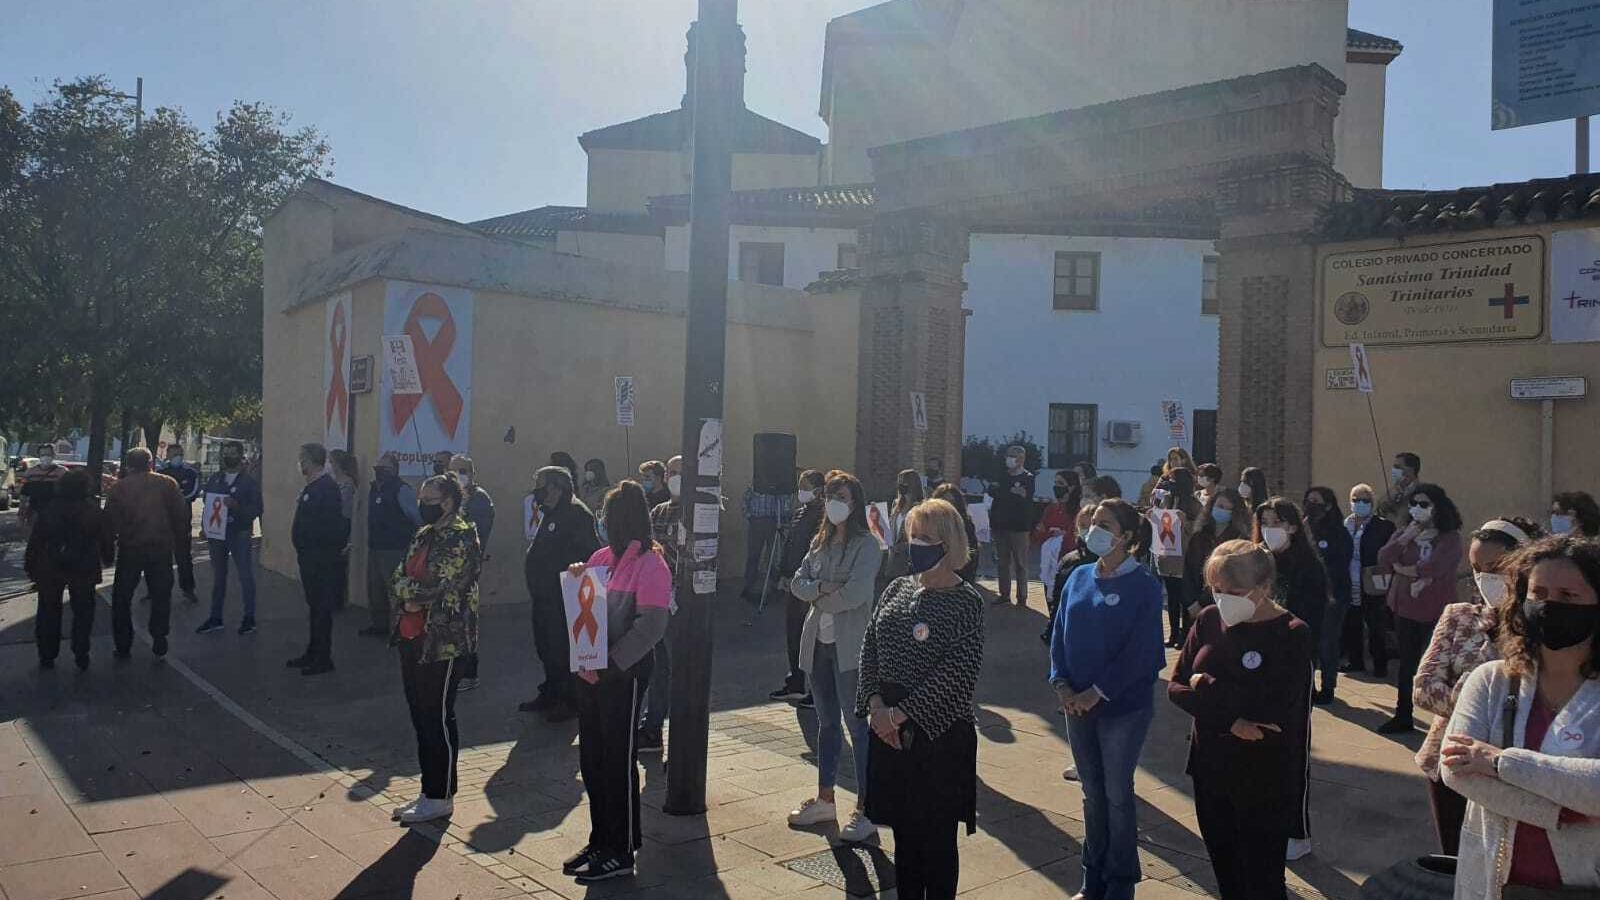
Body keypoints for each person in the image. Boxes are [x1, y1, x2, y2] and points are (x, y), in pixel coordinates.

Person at [1440, 535, 1600, 899]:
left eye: (1568, 596)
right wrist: (1560, 813)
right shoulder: (1491, 681)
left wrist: (1498, 762)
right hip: (1492, 884)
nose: (1550, 605)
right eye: (1539, 593)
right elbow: (1456, 771)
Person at [1169, 540, 1314, 900]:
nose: (1222, 599)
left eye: (1232, 592)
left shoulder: (1292, 632)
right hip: (1210, 766)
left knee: (1262, 880)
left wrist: (1206, 684)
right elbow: (1176, 687)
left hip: (1264, 775)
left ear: (1263, 587)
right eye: (1215, 590)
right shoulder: (1207, 621)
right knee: (1227, 872)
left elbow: (1273, 706)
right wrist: (1232, 721)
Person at [858, 498, 985, 900]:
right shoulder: (896, 588)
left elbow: (958, 672)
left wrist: (902, 715)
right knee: (905, 836)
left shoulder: (967, 602)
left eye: (927, 537)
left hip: (939, 734)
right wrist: (876, 707)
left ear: (949, 543)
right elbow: (870, 647)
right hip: (888, 725)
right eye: (914, 536)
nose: (917, 544)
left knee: (938, 840)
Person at [1050, 498, 1165, 900]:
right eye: (1092, 522)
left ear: (1126, 536)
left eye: (1105, 524)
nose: (1093, 530)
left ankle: (1120, 882)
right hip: (1075, 704)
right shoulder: (1079, 576)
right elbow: (1059, 632)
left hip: (1122, 708)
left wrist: (1096, 692)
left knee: (1117, 795)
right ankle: (1092, 876)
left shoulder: (1144, 586)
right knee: (1092, 794)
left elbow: (1144, 654)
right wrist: (1061, 683)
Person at [563, 481, 672, 885]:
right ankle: (600, 840)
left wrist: (613, 662)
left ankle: (621, 848)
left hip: (623, 675)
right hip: (590, 673)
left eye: (607, 515)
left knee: (617, 760)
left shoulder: (651, 564)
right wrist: (579, 579)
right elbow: (585, 606)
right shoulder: (600, 558)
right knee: (592, 759)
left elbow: (651, 625)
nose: (602, 522)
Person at [1412, 517, 1538, 857]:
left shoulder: (1542, 626)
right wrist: (1482, 706)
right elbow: (1424, 688)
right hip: (1451, 760)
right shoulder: (1460, 616)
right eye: (1476, 569)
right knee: (1455, 859)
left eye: (1495, 568)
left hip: (1516, 769)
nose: (1485, 578)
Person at [786, 472, 884, 842]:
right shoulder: (820, 542)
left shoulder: (866, 545)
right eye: (829, 496)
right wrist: (825, 588)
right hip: (818, 644)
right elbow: (797, 583)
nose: (833, 503)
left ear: (855, 502)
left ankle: (867, 807)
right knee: (827, 724)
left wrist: (819, 594)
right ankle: (825, 799)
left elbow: (856, 594)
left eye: (840, 496)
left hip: (850, 648)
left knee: (858, 727)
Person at [387, 474, 482, 825]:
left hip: (443, 641)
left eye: (429, 499)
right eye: (421, 498)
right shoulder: (424, 534)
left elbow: (441, 584)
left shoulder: (461, 536)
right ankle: (429, 790)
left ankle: (441, 795)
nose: (422, 505)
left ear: (447, 501)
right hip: (411, 636)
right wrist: (407, 597)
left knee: (436, 714)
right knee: (419, 713)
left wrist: (413, 595)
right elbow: (398, 575)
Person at [1251, 497, 1327, 859]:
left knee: (1292, 749)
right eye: (1264, 522)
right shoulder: (1255, 563)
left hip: (1291, 666)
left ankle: (1297, 831)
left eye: (1277, 522)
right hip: (1254, 664)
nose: (1270, 529)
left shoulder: (1308, 568)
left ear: (1294, 526)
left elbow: (1310, 623)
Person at [1377, 482, 1465, 735]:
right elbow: (1384, 559)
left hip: (1435, 610)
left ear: (1437, 507)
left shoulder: (1448, 537)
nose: (1417, 508)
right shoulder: (1406, 533)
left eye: (1423, 504)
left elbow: (1437, 566)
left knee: (1439, 668)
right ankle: (1403, 714)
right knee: (1407, 664)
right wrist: (1404, 539)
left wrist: (1405, 569)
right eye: (1413, 504)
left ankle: (1447, 722)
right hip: (1405, 608)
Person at [520, 465, 601, 721]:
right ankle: (551, 693)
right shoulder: (551, 512)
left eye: (540, 486)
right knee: (545, 647)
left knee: (562, 650)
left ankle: (569, 700)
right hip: (544, 597)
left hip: (563, 598)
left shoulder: (577, 514)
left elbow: (588, 556)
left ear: (555, 487)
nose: (536, 491)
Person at [103, 448, 189, 660]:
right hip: (160, 547)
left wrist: (108, 549)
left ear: (129, 465)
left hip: (131, 548)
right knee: (161, 594)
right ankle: (159, 635)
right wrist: (178, 541)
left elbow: (110, 521)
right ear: (150, 463)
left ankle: (123, 644)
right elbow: (180, 515)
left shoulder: (119, 488)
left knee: (122, 597)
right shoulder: (167, 483)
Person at [25, 469, 113, 670]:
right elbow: (105, 538)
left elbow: (36, 541)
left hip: (51, 565)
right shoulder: (93, 511)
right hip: (84, 565)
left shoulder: (50, 510)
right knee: (83, 611)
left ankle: (47, 653)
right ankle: (81, 651)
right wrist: (107, 557)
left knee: (48, 610)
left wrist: (30, 566)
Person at [287, 443, 347, 675]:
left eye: (302, 458)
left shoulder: (326, 488)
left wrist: (314, 548)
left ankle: (323, 658)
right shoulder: (312, 487)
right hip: (310, 558)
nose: (300, 463)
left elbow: (329, 527)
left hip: (321, 560)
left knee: (322, 610)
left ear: (311, 460)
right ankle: (312, 652)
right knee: (314, 608)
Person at [769, 469, 827, 705]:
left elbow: (814, 551)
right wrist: (783, 573)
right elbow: (790, 544)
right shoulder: (800, 513)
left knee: (810, 636)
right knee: (793, 632)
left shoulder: (823, 516)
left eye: (805, 486)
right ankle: (795, 680)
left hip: (808, 583)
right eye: (800, 486)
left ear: (818, 490)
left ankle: (814, 689)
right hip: (792, 581)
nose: (801, 490)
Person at [638, 455, 684, 751]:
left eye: (679, 472)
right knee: (658, 668)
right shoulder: (659, 511)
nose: (673, 477)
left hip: (682, 602)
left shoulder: (700, 512)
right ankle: (652, 727)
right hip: (658, 599)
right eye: (670, 472)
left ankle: (682, 736)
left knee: (680, 670)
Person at [193, 443, 263, 636]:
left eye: (232, 454)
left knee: (245, 576)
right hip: (217, 535)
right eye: (225, 454)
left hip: (239, 533)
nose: (228, 457)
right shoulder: (215, 479)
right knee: (218, 577)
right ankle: (215, 618)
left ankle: (249, 618)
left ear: (240, 456)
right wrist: (205, 528)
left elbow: (257, 509)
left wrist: (237, 506)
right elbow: (208, 504)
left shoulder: (249, 482)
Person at [360, 453, 421, 639]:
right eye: (378, 467)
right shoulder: (374, 489)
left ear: (394, 470)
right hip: (375, 547)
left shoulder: (402, 490)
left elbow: (415, 518)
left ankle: (399, 630)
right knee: (375, 589)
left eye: (384, 467)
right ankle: (379, 625)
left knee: (395, 591)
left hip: (395, 549)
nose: (379, 470)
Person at [1304, 486, 1355, 704]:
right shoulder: (1304, 529)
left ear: (1328, 506)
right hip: (1308, 596)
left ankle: (1328, 686)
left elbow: (1339, 564)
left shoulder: (1339, 533)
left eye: (1317, 501)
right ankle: (1308, 685)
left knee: (1328, 643)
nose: (1311, 505)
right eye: (1309, 500)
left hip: (1333, 596)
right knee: (1308, 643)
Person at [448, 454, 494, 692]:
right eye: (453, 471)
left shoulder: (479, 500)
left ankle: (469, 673)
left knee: (465, 621)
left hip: (466, 569)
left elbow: (476, 534)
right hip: (447, 570)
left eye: (463, 471)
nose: (458, 475)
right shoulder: (451, 497)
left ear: (472, 473)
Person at [1342, 483, 1397, 677]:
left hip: (1372, 580)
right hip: (1350, 581)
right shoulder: (1346, 524)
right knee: (1352, 624)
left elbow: (1391, 551)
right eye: (1356, 500)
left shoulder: (1383, 526)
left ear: (1372, 503)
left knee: (1376, 625)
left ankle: (1380, 664)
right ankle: (1355, 661)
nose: (1360, 503)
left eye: (1365, 500)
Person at [1183, 487, 1247, 622]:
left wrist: (1201, 603)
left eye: (1228, 509)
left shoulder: (1238, 541)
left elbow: (1228, 577)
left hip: (1222, 606)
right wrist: (1190, 602)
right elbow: (1188, 571)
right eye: (1220, 506)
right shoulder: (1199, 536)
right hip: (1193, 606)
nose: (1222, 511)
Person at [990, 445, 1035, 607]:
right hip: (1000, 526)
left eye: (1013, 456)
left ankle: (1022, 597)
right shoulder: (1002, 476)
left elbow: (1025, 496)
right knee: (1002, 562)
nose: (1009, 459)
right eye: (1008, 455)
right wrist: (1011, 492)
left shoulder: (1028, 478)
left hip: (1019, 527)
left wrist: (1010, 493)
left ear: (1021, 459)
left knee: (1020, 563)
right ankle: (1004, 594)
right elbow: (994, 493)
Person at [740, 474, 794, 603]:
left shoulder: (779, 486)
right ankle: (748, 586)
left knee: (774, 557)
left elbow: (786, 503)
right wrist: (749, 516)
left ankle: (773, 587)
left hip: (773, 522)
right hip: (756, 522)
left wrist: (783, 518)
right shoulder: (755, 484)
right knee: (753, 555)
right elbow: (745, 499)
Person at [162, 445, 201, 604]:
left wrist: (176, 499)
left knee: (183, 556)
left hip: (182, 521)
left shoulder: (190, 472)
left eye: (178, 454)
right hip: (163, 522)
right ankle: (156, 588)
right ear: (168, 455)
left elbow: (193, 492)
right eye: (172, 454)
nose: (175, 457)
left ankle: (188, 589)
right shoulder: (162, 473)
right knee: (161, 557)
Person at [883, 469, 926, 592]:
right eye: (899, 482)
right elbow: (891, 529)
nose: (900, 485)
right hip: (892, 563)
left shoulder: (920, 507)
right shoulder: (896, 505)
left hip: (909, 563)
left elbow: (921, 537)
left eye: (904, 482)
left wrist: (903, 546)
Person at [328, 449, 359, 611]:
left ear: (338, 464)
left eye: (331, 462)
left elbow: (342, 506)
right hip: (332, 523)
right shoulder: (333, 481)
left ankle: (339, 599)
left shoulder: (347, 483)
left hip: (342, 523)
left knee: (339, 562)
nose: (330, 465)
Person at [930, 483, 980, 584]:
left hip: (959, 576)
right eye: (944, 501)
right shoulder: (930, 523)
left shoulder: (965, 523)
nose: (948, 505)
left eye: (952, 502)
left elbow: (972, 551)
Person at [17, 447, 66, 534]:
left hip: (55, 513)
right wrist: (21, 515)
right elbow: (24, 495)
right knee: (33, 537)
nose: (45, 457)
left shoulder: (62, 472)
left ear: (54, 455)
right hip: (34, 511)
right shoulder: (30, 472)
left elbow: (68, 493)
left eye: (48, 454)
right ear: (39, 456)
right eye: (43, 454)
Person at [1381, 452, 1421, 521]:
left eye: (1397, 467)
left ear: (1410, 469)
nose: (1394, 470)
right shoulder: (1395, 490)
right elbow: (1380, 508)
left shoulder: (1421, 492)